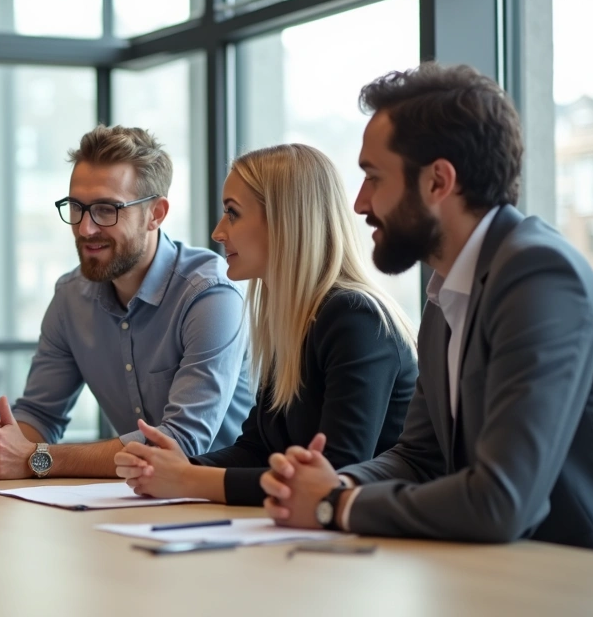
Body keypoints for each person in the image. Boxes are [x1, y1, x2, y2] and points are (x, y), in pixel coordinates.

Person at [260, 63, 593, 550]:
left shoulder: (540, 277)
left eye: (373, 178)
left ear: (438, 182)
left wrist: (333, 506)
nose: (360, 204)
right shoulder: (448, 289)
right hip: (487, 573)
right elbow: (419, 457)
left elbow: (500, 503)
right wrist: (332, 484)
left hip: (565, 578)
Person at [111, 144, 417, 505]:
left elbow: (331, 477)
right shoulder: (289, 321)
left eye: (232, 214)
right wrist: (174, 467)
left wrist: (189, 479)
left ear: (286, 220)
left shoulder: (354, 319)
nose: (218, 232)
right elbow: (256, 449)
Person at [0, 125, 254, 479]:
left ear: (156, 214)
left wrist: (36, 458)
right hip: (129, 499)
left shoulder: (209, 295)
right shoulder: (71, 296)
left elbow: (181, 443)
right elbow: (41, 415)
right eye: (76, 208)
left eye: (106, 210)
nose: (85, 229)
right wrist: (0, 443)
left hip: (222, 505)